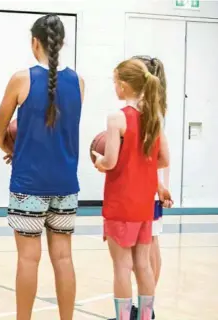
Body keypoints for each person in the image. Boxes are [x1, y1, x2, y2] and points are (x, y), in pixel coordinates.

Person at [0, 14, 84, 320]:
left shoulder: (22, 78)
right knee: (64, 258)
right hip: (66, 185)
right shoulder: (79, 82)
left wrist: (14, 150)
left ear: (35, 42)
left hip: (29, 184)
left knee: (28, 261)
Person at [92, 58, 170, 320]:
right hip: (144, 205)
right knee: (143, 264)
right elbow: (164, 159)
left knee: (122, 266)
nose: (114, 86)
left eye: (114, 81)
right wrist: (142, 166)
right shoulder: (154, 118)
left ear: (123, 86)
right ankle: (146, 317)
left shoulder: (117, 119)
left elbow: (110, 160)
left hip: (121, 203)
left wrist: (97, 160)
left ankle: (125, 318)